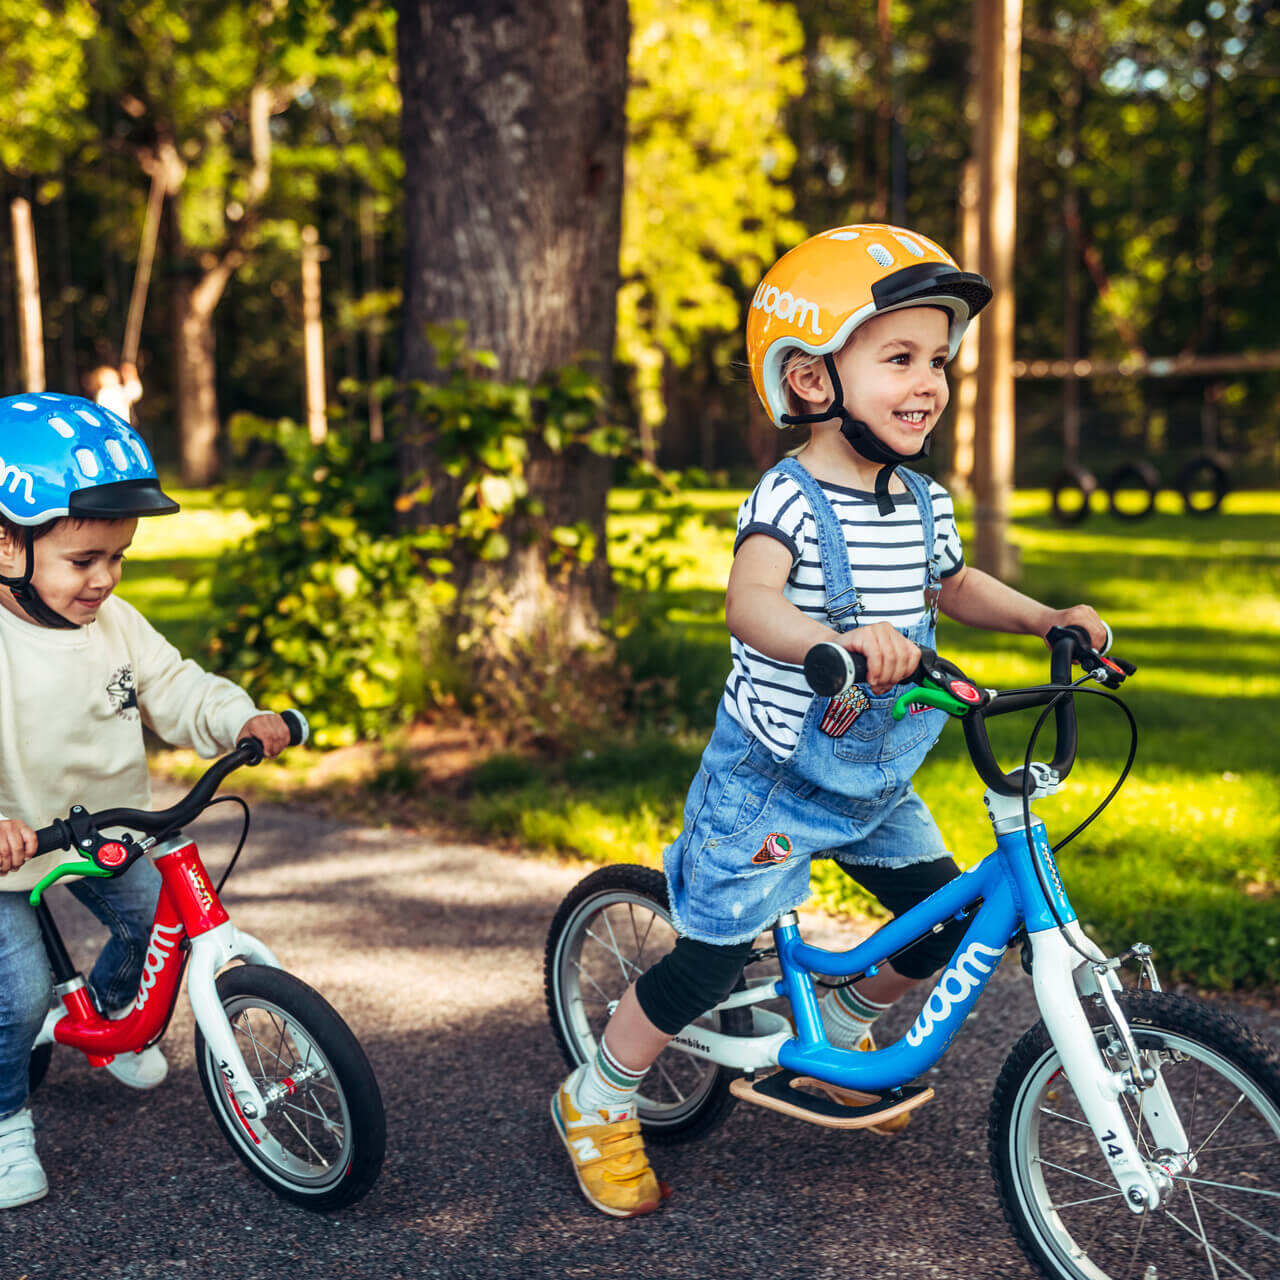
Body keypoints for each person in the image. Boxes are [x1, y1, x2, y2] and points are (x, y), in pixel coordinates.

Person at [551, 224, 1109, 1218]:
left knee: (935, 919)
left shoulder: (919, 498)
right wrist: (833, 641)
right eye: (897, 357)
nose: (928, 380)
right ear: (810, 381)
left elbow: (954, 581)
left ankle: (843, 1025)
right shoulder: (791, 497)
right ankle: (596, 1095)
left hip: (875, 775)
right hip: (769, 775)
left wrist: (1043, 618)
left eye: (935, 358)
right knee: (710, 958)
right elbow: (749, 602)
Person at [0, 392, 291, 1210]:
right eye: (84, 559)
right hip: (10, 850)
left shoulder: (116, 625)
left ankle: (114, 1014)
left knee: (154, 912)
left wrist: (240, 716)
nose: (105, 579)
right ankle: (6, 1125)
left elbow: (175, 685)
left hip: (105, 827)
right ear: (5, 543)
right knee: (16, 995)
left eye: (118, 557)